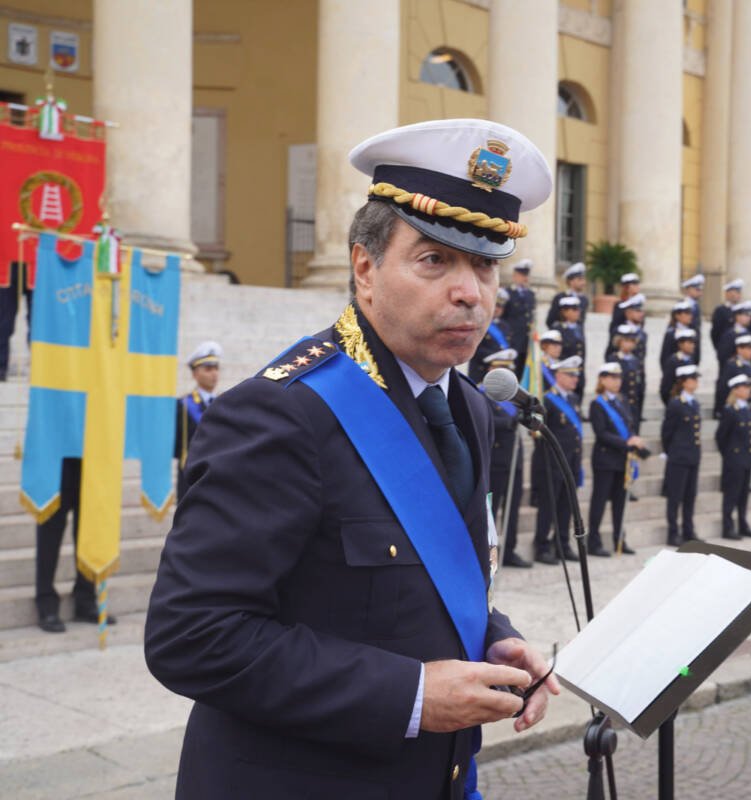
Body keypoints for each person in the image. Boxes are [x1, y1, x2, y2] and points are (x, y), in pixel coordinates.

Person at [144, 119, 557, 798]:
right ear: (365, 269)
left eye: (485, 265)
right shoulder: (280, 413)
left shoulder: (469, 406)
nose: (470, 292)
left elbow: (419, 585)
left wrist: (493, 637)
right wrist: (412, 694)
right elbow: (191, 636)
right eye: (435, 260)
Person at [33, 458, 115, 633]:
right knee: (50, 525)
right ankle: (46, 601)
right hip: (56, 456)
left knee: (90, 525)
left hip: (91, 455)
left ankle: (86, 598)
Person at [586, 363, 646, 557]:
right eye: (612, 378)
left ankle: (619, 539)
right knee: (600, 502)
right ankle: (593, 542)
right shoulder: (597, 404)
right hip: (605, 460)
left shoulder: (622, 401)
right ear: (602, 379)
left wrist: (634, 439)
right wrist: (627, 442)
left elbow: (629, 426)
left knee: (620, 503)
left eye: (619, 378)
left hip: (623, 460)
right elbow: (601, 433)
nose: (617, 381)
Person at [483, 349, 531, 569]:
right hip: (496, 460)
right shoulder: (482, 394)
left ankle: (509, 550)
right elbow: (486, 420)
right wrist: (509, 423)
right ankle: (488, 553)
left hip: (514, 459)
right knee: (491, 512)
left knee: (512, 509)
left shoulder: (513, 397)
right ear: (491, 370)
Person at [534, 356, 584, 564]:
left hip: (570, 462)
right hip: (551, 463)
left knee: (566, 506)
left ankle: (562, 544)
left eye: (576, 375)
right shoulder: (547, 400)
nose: (575, 379)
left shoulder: (573, 399)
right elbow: (539, 435)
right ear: (558, 375)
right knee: (549, 507)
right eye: (571, 375)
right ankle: (542, 546)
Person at [175, 341, 222, 499]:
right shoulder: (183, 405)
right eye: (208, 369)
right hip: (191, 477)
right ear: (195, 374)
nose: (214, 373)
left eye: (216, 368)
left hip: (217, 476)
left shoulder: (223, 403)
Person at [661, 364, 702, 547]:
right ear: (684, 382)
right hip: (678, 457)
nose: (696, 382)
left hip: (693, 456)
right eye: (693, 379)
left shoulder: (694, 403)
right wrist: (671, 452)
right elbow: (667, 432)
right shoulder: (676, 403)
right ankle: (673, 533)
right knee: (675, 497)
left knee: (690, 496)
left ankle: (688, 530)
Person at [716, 374, 751, 540]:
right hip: (734, 459)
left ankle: (743, 524)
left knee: (743, 494)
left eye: (749, 387)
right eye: (745, 387)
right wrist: (729, 455)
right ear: (735, 390)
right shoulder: (730, 410)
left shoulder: (747, 409)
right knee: (731, 495)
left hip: (747, 458)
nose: (748, 390)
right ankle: (728, 527)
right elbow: (721, 437)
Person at [501, 259, 536, 380]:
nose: (525, 278)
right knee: (512, 373)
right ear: (515, 276)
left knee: (523, 374)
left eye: (526, 275)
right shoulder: (508, 293)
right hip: (512, 340)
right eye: (522, 275)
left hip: (526, 342)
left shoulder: (530, 294)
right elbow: (502, 317)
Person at [468, 287, 511, 382]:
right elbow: (474, 348)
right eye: (495, 305)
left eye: (500, 307)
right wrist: (495, 357)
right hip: (482, 369)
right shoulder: (477, 323)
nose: (497, 309)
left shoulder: (505, 326)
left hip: (501, 370)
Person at [660, 328, 698, 405]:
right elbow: (666, 387)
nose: (692, 346)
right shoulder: (673, 361)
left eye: (693, 343)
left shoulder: (691, 359)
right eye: (689, 343)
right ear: (680, 344)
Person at [545, 261, 588, 327]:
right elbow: (550, 321)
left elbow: (581, 323)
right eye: (580, 280)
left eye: (583, 280)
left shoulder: (584, 299)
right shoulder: (560, 297)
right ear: (571, 281)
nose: (583, 283)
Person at [710, 278, 744, 349]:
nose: (738, 295)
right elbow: (715, 333)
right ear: (727, 293)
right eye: (736, 292)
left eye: (739, 292)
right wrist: (720, 348)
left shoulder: (742, 309)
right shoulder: (721, 310)